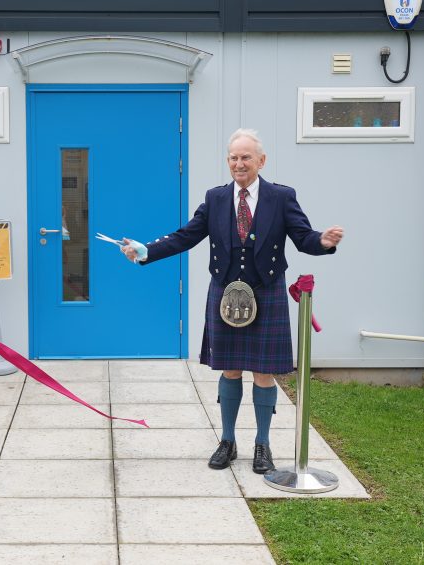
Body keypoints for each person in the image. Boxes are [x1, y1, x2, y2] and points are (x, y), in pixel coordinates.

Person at [122, 128, 343, 473]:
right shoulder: (216, 198)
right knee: (230, 369)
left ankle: (263, 444)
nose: (239, 164)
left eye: (246, 157)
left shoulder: (281, 197)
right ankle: (227, 440)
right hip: (226, 293)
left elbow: (303, 238)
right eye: (233, 158)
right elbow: (187, 235)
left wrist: (324, 242)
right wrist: (147, 250)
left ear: (261, 161)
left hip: (265, 290)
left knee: (264, 373)